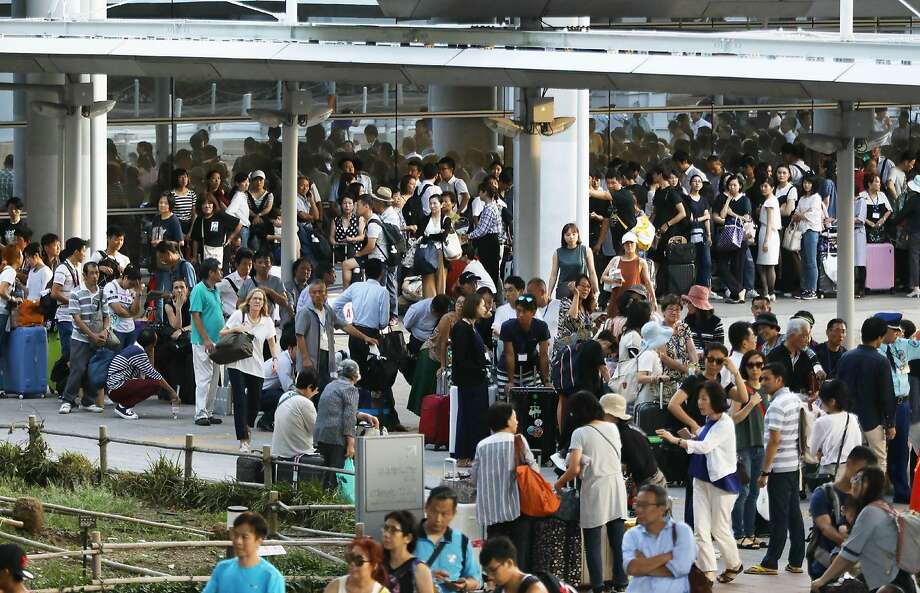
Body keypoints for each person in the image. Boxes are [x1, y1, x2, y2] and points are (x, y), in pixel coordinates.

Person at [658, 381, 743, 584]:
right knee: (700, 529)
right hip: (700, 478)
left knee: (719, 528)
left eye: (704, 398)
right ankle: (708, 573)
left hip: (722, 482)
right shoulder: (709, 421)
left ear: (716, 400)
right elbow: (703, 440)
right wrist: (691, 436)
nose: (700, 403)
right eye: (699, 398)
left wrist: (676, 440)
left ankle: (734, 564)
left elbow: (705, 446)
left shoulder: (725, 423)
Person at [555, 391, 629, 593]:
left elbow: (573, 469)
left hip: (595, 488)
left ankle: (597, 586)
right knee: (617, 540)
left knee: (593, 542)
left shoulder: (580, 433)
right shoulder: (612, 428)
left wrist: (558, 485)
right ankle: (621, 583)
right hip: (616, 486)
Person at [810, 466, 918, 593]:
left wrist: (822, 580)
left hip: (889, 584)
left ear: (867, 485)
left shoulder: (870, 512)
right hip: (892, 580)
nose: (852, 482)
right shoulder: (882, 507)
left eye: (857, 479)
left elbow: (848, 555)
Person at [745, 362, 806, 576]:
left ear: (779, 379)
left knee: (779, 516)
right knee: (794, 514)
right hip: (793, 465)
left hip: (779, 467)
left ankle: (771, 562)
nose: (762, 382)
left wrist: (764, 471)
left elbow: (774, 440)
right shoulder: (794, 400)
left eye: (766, 378)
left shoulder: (778, 405)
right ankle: (796, 560)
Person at [471, 403, 537, 569]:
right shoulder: (518, 440)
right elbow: (533, 469)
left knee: (495, 558)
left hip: (491, 513)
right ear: (507, 421)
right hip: (517, 510)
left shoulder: (482, 445)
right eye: (514, 418)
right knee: (518, 556)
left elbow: (474, 476)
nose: (517, 422)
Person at [221, 288, 280, 453]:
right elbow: (222, 333)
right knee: (240, 401)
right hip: (237, 364)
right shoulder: (239, 315)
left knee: (255, 401)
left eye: (260, 299)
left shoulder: (267, 321)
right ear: (249, 300)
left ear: (264, 303)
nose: (257, 302)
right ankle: (243, 439)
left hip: (256, 365)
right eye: (254, 298)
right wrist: (236, 329)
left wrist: (275, 359)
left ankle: (248, 426)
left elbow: (272, 342)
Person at [836, 316, 897, 474]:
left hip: (849, 418)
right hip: (873, 420)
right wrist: (890, 423)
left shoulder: (846, 357)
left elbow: (838, 387)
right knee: (878, 459)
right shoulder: (881, 361)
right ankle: (874, 495)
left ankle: (854, 494)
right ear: (879, 338)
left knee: (852, 458)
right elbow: (887, 394)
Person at [807, 446, 878, 580]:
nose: (862, 477)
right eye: (862, 471)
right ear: (850, 464)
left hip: (858, 569)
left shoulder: (866, 497)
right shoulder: (823, 493)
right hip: (824, 564)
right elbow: (825, 528)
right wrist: (852, 547)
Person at [622, 484, 697, 593]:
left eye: (645, 505)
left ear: (661, 509)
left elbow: (681, 569)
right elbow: (632, 568)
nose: (639, 510)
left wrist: (643, 565)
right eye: (638, 504)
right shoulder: (631, 535)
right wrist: (667, 556)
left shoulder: (681, 531)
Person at [314, 359, 380, 483]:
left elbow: (338, 408)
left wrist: (364, 416)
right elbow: (349, 418)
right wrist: (351, 445)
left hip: (321, 435)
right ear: (355, 376)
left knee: (324, 476)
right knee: (335, 478)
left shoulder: (331, 385)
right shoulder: (350, 389)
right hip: (336, 437)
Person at [729, 349, 768, 549]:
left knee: (754, 492)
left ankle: (751, 534)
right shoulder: (741, 390)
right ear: (744, 367)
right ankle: (739, 533)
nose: (755, 369)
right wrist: (751, 404)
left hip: (761, 446)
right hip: (743, 446)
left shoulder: (767, 389)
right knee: (742, 492)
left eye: (759, 365)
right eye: (751, 365)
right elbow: (733, 418)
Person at [58, 261, 109, 415]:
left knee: (94, 370)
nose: (95, 276)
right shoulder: (76, 293)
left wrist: (105, 331)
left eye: (97, 273)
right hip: (80, 339)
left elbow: (107, 316)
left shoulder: (102, 293)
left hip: (98, 338)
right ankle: (68, 401)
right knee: (77, 369)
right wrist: (92, 335)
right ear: (84, 275)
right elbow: (77, 319)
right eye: (91, 273)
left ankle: (88, 401)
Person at [414, 487, 483, 593]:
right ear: (426, 507)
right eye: (434, 512)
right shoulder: (409, 538)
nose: (438, 519)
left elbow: (476, 579)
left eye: (444, 514)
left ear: (454, 514)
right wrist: (427, 576)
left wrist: (465, 584)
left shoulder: (461, 541)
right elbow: (394, 577)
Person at [107, 327, 180, 420]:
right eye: (154, 344)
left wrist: (151, 351)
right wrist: (172, 392)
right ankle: (123, 407)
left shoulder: (134, 348)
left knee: (150, 382)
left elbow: (150, 371)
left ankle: (124, 405)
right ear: (150, 345)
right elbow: (155, 375)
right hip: (116, 389)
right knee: (156, 384)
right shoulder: (138, 353)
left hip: (115, 388)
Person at [452, 293, 491, 465]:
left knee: (478, 418)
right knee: (468, 418)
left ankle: (474, 453)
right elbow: (460, 358)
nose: (486, 308)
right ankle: (463, 455)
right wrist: (478, 369)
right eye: (482, 305)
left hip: (477, 379)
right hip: (469, 380)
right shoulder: (462, 327)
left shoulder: (473, 326)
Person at [203, 511, 284, 593]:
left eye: (245, 537)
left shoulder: (271, 577)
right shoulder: (222, 569)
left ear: (259, 541)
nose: (238, 541)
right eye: (236, 535)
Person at [601, 393, 667, 488]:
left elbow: (638, 464)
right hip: (648, 478)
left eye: (603, 415)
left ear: (613, 416)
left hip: (649, 482)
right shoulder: (627, 428)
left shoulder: (626, 435)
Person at [189, 258, 225, 427]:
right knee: (204, 378)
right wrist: (205, 338)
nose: (221, 273)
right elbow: (195, 315)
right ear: (211, 272)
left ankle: (208, 412)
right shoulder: (198, 290)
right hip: (203, 342)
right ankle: (200, 413)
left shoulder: (215, 289)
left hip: (217, 341)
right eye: (219, 270)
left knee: (214, 378)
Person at [809, 379, 863, 480]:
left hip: (830, 471)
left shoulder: (822, 422)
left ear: (832, 402)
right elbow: (858, 445)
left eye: (822, 400)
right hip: (852, 471)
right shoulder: (852, 418)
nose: (820, 404)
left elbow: (812, 451)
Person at [498, 294, 550, 397]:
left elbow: (544, 355)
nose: (520, 314)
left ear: (533, 312)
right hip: (507, 370)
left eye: (524, 311)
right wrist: (511, 381)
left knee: (536, 400)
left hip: (530, 371)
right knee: (507, 400)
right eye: (518, 310)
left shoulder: (541, 327)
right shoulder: (507, 327)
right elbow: (510, 355)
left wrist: (546, 381)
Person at [51, 237, 87, 369]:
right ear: (76, 251)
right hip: (65, 317)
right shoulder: (63, 269)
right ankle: (63, 382)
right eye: (83, 251)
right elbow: (54, 293)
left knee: (75, 354)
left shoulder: (76, 269)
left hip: (75, 317)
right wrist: (73, 303)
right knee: (69, 354)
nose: (84, 254)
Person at [602, 232, 656, 317]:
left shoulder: (641, 262)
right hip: (616, 299)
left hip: (633, 302)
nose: (629, 245)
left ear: (636, 244)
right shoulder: (615, 260)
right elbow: (603, 277)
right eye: (626, 243)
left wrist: (654, 300)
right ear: (623, 245)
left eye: (631, 243)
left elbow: (648, 282)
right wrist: (613, 280)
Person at [271, 367, 319, 460]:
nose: (315, 394)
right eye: (315, 391)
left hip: (278, 452)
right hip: (296, 454)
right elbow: (315, 431)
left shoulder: (285, 396)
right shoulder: (305, 403)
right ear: (309, 387)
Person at [658, 294, 698, 405]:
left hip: (687, 375)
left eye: (678, 309)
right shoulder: (659, 331)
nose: (674, 312)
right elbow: (664, 357)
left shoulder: (684, 328)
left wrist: (693, 368)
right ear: (663, 311)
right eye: (670, 309)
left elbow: (692, 350)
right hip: (668, 377)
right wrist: (685, 369)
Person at [381, 511, 434, 593]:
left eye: (393, 530)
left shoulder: (419, 569)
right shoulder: (378, 563)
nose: (386, 534)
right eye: (385, 528)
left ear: (408, 538)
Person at [792, 174, 825, 300]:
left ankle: (812, 290)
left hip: (812, 230)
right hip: (802, 230)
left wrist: (801, 215)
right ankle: (805, 288)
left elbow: (813, 214)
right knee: (804, 260)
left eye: (809, 183)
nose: (806, 185)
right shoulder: (802, 198)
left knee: (811, 261)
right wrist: (801, 214)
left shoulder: (816, 197)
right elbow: (796, 213)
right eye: (805, 182)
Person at [237, 249, 292, 325]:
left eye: (267, 262)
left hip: (269, 326)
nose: (263, 265)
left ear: (271, 265)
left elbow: (285, 303)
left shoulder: (277, 281)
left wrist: (270, 291)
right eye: (260, 262)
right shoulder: (247, 283)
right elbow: (239, 305)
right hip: (250, 326)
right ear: (254, 265)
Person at [766, 318, 818, 396]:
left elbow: (811, 384)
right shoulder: (774, 357)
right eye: (804, 336)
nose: (807, 340)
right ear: (792, 336)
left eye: (808, 337)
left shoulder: (805, 357)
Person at [478, 537, 548, 593]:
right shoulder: (500, 589)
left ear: (509, 563)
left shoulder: (535, 589)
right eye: (486, 572)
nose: (490, 577)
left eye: (493, 570)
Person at [548, 223, 598, 298]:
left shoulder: (586, 250)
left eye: (574, 234)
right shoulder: (558, 253)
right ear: (563, 237)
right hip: (564, 288)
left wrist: (596, 291)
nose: (571, 237)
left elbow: (592, 272)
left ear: (578, 235)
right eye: (568, 235)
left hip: (581, 287)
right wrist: (549, 293)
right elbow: (553, 275)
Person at [324, 537, 390, 593]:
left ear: (374, 565)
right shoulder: (335, 587)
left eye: (359, 560)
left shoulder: (381, 591)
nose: (352, 563)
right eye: (350, 558)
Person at [190, 193, 241, 265]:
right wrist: (194, 257)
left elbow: (239, 224)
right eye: (204, 204)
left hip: (222, 252)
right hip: (205, 254)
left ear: (213, 204)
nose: (207, 206)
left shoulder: (220, 216)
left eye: (210, 203)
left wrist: (230, 238)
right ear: (200, 206)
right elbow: (195, 240)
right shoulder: (199, 220)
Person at [104, 264, 145, 349]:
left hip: (130, 329)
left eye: (134, 286)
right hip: (116, 329)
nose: (132, 287)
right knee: (115, 358)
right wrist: (131, 313)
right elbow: (119, 311)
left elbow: (136, 311)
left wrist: (138, 294)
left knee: (127, 359)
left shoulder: (131, 290)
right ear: (125, 277)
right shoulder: (111, 286)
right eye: (131, 284)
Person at [331, 195, 366, 287]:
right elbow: (331, 237)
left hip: (354, 249)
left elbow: (362, 236)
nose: (347, 206)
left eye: (350, 203)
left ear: (354, 205)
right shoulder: (336, 220)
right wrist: (336, 243)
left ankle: (354, 279)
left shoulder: (359, 219)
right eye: (345, 203)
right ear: (341, 205)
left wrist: (352, 239)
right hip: (340, 248)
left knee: (351, 249)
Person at [757, 176, 780, 301]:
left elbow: (770, 222)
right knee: (767, 264)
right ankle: (770, 292)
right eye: (762, 186)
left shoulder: (770, 202)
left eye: (766, 186)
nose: (763, 188)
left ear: (772, 188)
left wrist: (766, 240)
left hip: (768, 232)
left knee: (767, 265)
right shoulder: (772, 200)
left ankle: (768, 291)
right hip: (770, 233)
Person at [681, 286, 723, 352]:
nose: (687, 306)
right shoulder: (686, 321)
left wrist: (703, 355)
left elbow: (720, 348)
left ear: (697, 305)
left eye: (690, 302)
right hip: (690, 360)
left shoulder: (716, 323)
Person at [0, 245, 22, 357]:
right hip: (2, 313)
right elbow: (2, 291)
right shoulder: (10, 272)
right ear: (18, 257)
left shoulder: (5, 271)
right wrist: (13, 299)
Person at [218, 248, 253, 317]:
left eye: (250, 264)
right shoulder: (226, 281)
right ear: (237, 265)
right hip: (230, 320)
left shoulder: (252, 281)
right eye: (244, 264)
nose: (248, 268)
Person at [169, 168, 198, 234]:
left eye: (185, 176)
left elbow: (194, 214)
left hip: (189, 225)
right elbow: (169, 214)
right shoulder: (171, 194)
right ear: (176, 179)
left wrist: (190, 232)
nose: (183, 179)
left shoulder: (192, 194)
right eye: (180, 177)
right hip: (175, 224)